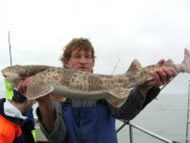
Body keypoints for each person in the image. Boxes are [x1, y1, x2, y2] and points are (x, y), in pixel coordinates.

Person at [18, 38, 176, 143]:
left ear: (93, 62)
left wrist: (145, 87)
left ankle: (181, 66)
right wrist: (45, 102)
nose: (83, 61)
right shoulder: (55, 91)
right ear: (66, 62)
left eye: (87, 57)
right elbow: (57, 137)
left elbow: (125, 113)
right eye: (77, 56)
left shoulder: (107, 85)